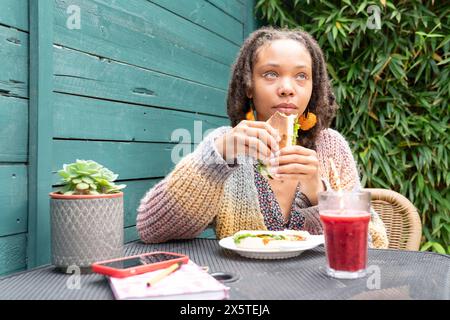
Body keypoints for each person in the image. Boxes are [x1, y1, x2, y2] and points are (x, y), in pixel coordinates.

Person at [136, 26, 389, 249]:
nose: (288, 88)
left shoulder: (331, 146)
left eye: (301, 76)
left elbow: (372, 243)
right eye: (270, 74)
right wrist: (215, 159)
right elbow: (152, 229)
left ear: (313, 87)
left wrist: (320, 193)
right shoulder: (224, 145)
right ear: (248, 84)